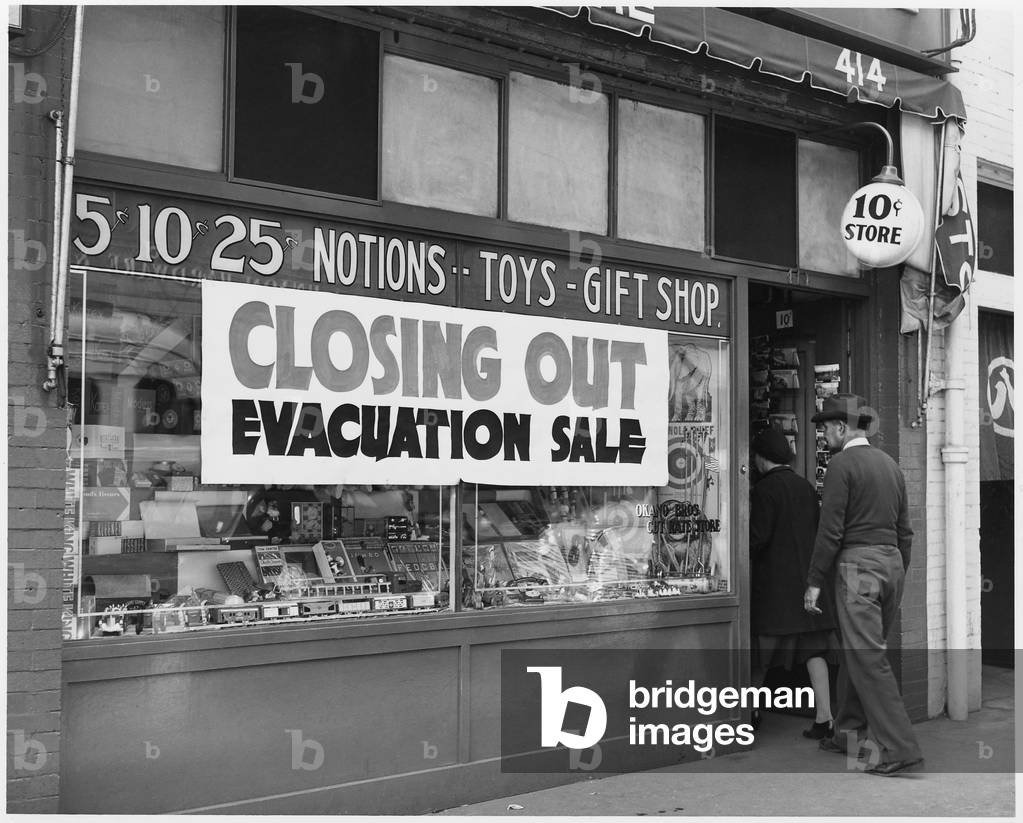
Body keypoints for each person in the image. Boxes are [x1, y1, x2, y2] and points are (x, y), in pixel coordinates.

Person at [803, 394, 923, 776]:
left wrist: (814, 582)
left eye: (824, 428)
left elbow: (830, 530)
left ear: (842, 427)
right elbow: (905, 531)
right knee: (861, 652)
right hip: (891, 566)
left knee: (868, 660)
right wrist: (897, 569)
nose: (823, 435)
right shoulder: (890, 464)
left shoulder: (841, 465)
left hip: (857, 567)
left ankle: (900, 750)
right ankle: (848, 732)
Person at [749, 428, 837, 739]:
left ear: (761, 458)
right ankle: (825, 718)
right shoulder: (806, 488)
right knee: (814, 653)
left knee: (760, 655)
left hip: (775, 588)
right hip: (809, 585)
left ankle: (750, 712)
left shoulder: (763, 491)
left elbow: (758, 539)